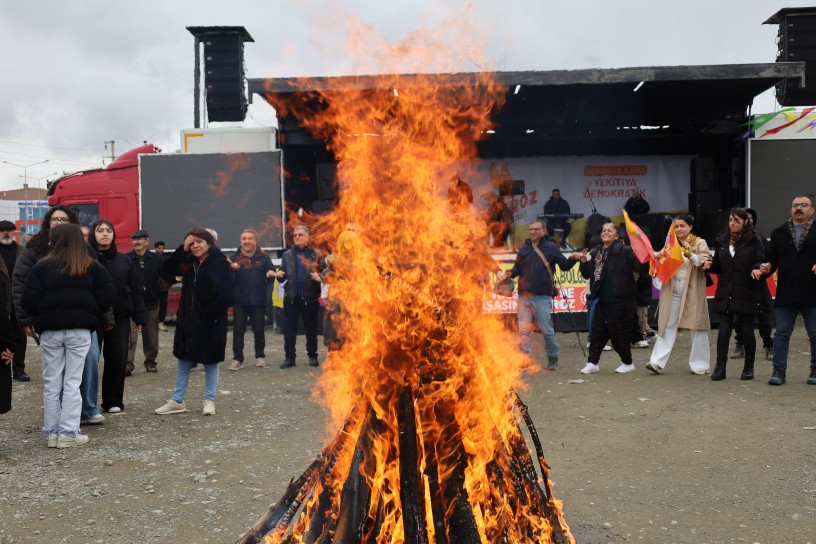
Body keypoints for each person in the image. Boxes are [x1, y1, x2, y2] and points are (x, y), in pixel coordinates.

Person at [21, 223, 115, 448]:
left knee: (52, 383)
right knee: (72, 382)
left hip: (50, 332)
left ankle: (52, 433)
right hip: (80, 331)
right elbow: (107, 296)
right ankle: (69, 433)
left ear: (54, 241)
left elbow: (28, 301)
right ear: (78, 240)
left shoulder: (41, 267)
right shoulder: (91, 266)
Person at [155, 228, 234, 415]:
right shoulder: (188, 262)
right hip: (188, 323)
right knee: (183, 362)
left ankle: (209, 401)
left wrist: (211, 316)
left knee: (211, 363)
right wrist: (182, 249)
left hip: (211, 322)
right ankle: (177, 401)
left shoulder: (220, 263)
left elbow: (228, 295)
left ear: (209, 244)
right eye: (192, 242)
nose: (195, 246)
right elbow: (166, 270)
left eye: (200, 242)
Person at [498, 220, 580, 370]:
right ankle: (525, 359)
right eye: (530, 229)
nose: (532, 232)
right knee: (523, 330)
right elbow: (517, 269)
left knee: (547, 330)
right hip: (523, 296)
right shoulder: (523, 249)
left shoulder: (551, 248)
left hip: (542, 297)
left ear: (543, 231)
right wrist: (508, 274)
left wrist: (573, 259)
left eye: (536, 229)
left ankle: (553, 357)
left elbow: (564, 266)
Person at [88, 219, 146, 412]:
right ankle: (86, 403)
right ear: (92, 234)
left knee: (117, 359)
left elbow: (135, 290)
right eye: (100, 230)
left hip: (120, 317)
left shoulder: (125, 260)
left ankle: (113, 401)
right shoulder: (86, 257)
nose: (105, 233)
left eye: (109, 230)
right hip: (92, 317)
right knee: (90, 360)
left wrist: (139, 317)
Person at [759, 196, 816, 385]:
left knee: (815, 333)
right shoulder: (778, 233)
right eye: (795, 206)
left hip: (812, 291)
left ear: (812, 210)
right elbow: (772, 260)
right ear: (790, 209)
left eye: (803, 205)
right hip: (786, 291)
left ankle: (815, 370)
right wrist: (766, 267)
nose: (798, 208)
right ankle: (779, 371)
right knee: (782, 333)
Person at [645, 215, 712, 375]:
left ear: (690, 227)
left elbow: (705, 261)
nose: (679, 229)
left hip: (692, 289)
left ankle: (700, 364)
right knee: (667, 324)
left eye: (682, 226)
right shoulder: (670, 243)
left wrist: (690, 254)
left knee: (698, 326)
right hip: (673, 290)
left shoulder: (699, 242)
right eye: (676, 227)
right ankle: (656, 362)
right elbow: (661, 259)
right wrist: (656, 257)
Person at [578, 222, 643, 374]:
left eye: (609, 230)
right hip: (602, 299)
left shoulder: (625, 250)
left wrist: (645, 254)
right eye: (603, 230)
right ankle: (592, 362)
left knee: (619, 333)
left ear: (616, 235)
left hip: (621, 300)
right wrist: (583, 262)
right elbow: (588, 274)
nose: (605, 232)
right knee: (596, 332)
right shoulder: (597, 252)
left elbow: (640, 267)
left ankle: (627, 363)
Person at [708, 208, 765, 381]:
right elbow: (718, 265)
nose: (732, 223)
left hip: (746, 291)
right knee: (723, 331)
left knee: (747, 331)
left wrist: (757, 269)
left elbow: (759, 260)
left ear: (745, 222)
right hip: (726, 292)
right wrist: (709, 265)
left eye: (737, 221)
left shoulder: (755, 240)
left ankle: (748, 368)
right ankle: (720, 368)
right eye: (731, 220)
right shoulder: (721, 240)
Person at [275, 225, 323, 369]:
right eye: (295, 235)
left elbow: (326, 272)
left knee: (311, 329)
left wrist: (319, 276)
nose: (297, 237)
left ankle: (312, 356)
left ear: (308, 237)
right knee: (289, 330)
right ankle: (289, 358)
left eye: (300, 234)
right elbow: (282, 275)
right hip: (291, 298)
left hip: (310, 298)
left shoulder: (317, 254)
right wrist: (279, 276)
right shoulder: (287, 255)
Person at [228, 229, 275, 370]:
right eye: (244, 239)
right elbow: (227, 280)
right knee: (238, 330)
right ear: (240, 241)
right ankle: (237, 359)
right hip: (240, 301)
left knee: (259, 329)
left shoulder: (264, 257)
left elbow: (271, 270)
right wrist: (231, 270)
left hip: (258, 300)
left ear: (255, 241)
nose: (247, 241)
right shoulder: (233, 258)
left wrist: (271, 273)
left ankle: (260, 357)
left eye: (250, 238)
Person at [730, 208, 774, 361]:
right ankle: (739, 345)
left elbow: (768, 261)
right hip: (740, 287)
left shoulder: (759, 238)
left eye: (749, 218)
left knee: (765, 316)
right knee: (740, 318)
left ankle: (769, 345)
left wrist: (763, 270)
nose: (746, 221)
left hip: (759, 285)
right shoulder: (730, 239)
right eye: (736, 219)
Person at [126, 229, 164, 373]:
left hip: (151, 303)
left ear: (147, 241)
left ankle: (150, 362)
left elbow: (164, 276)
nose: (136, 242)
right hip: (132, 305)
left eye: (139, 239)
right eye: (133, 239)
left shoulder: (157, 259)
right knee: (130, 337)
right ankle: (127, 365)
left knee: (151, 336)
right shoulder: (127, 258)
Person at [0, 221, 27, 383]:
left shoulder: (23, 252)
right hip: (0, 301)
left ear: (15, 232)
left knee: (20, 336)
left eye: (9, 230)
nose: (6, 233)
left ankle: (19, 369)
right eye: (2, 230)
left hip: (18, 300)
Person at [154, 241, 170, 331]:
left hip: (164, 286)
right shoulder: (151, 258)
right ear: (155, 248)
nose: (161, 250)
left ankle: (161, 323)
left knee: (163, 304)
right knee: (151, 305)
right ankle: (147, 324)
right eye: (159, 248)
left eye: (162, 248)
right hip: (153, 286)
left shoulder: (167, 257)